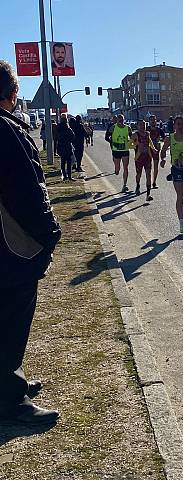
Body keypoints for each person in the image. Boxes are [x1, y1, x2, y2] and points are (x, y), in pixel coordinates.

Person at [0, 60, 61, 424]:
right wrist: (49, 234)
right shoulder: (7, 131)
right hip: (10, 246)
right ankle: (10, 399)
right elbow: (28, 192)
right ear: (13, 93)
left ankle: (10, 382)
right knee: (11, 317)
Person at [131, 120, 157, 201]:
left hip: (147, 157)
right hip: (139, 157)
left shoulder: (147, 133)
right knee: (139, 174)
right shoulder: (135, 135)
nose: (143, 126)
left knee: (148, 174)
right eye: (141, 125)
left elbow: (150, 142)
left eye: (144, 125)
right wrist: (136, 145)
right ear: (138, 126)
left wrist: (154, 149)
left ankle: (148, 194)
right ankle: (138, 185)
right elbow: (129, 145)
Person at [107, 114, 132, 192]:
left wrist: (132, 144)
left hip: (125, 150)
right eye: (119, 119)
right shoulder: (113, 127)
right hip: (116, 150)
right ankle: (116, 169)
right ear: (117, 120)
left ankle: (124, 185)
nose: (121, 121)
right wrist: (112, 143)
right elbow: (106, 137)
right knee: (118, 169)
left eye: (122, 119)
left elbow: (132, 138)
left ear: (124, 120)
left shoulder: (128, 128)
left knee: (126, 167)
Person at [147, 115, 165, 189]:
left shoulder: (159, 130)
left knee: (155, 167)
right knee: (148, 167)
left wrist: (161, 143)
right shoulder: (146, 129)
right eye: (151, 120)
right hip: (148, 150)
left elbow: (165, 138)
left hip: (156, 150)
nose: (153, 121)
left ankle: (154, 182)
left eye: (154, 120)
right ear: (149, 121)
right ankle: (149, 181)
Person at [57, 114, 76, 181]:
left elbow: (55, 137)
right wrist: (68, 141)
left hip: (60, 146)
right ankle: (69, 176)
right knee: (68, 162)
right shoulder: (68, 128)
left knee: (62, 162)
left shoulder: (58, 127)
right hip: (67, 146)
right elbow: (73, 136)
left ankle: (64, 176)